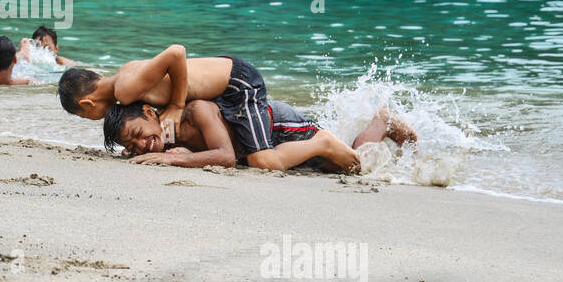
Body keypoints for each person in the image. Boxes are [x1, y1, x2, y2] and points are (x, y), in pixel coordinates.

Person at [61, 48, 347, 172]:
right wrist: (137, 146)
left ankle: (322, 142)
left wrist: (175, 104)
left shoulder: (124, 89)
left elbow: (176, 52)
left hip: (238, 82)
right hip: (224, 88)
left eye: (84, 115)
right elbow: (152, 124)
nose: (92, 119)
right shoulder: (125, 78)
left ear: (87, 104)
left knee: (264, 162)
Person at [103, 98, 416, 172]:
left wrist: (173, 160)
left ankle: (382, 121)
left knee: (352, 165)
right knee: (331, 167)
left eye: (137, 135)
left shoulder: (195, 111)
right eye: (131, 145)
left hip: (276, 123)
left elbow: (224, 156)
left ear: (148, 113)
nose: (140, 144)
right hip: (262, 142)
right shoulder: (163, 135)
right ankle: (380, 128)